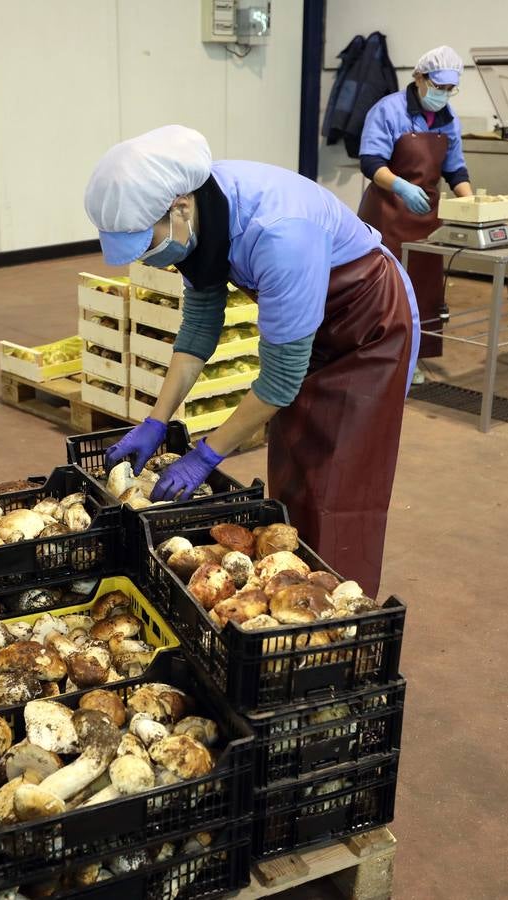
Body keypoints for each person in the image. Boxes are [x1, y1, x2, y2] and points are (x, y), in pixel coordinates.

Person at [84, 126, 420, 597]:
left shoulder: (278, 235)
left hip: (363, 328)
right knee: (295, 463)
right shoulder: (205, 212)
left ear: (180, 206)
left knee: (340, 482)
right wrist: (156, 420)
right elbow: (200, 326)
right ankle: (286, 583)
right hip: (309, 325)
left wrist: (207, 455)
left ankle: (338, 613)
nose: (147, 258)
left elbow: (280, 380)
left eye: (147, 243)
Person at [358, 45, 472, 378]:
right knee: (383, 289)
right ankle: (378, 359)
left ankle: (412, 358)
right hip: (387, 215)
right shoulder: (388, 110)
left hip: (427, 221)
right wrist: (403, 188)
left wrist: (473, 206)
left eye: (451, 89)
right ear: (420, 78)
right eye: (439, 87)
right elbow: (371, 162)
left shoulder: (449, 119)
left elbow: (455, 171)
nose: (444, 95)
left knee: (422, 290)